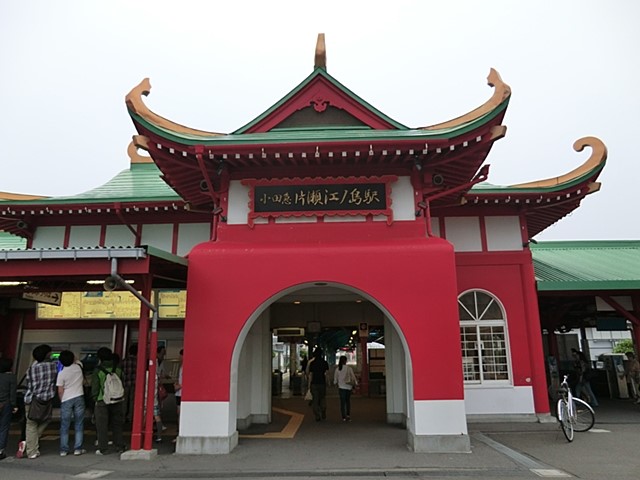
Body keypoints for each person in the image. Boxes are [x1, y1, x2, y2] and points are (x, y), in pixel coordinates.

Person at [24, 344, 58, 459]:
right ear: (47, 354)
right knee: (46, 419)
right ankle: (31, 445)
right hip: (47, 399)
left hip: (32, 399)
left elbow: (28, 383)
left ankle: (31, 449)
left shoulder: (31, 369)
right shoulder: (53, 367)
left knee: (31, 424)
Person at [91, 347, 125, 455]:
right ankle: (119, 446)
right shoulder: (118, 368)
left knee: (102, 426)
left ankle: (103, 448)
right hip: (117, 399)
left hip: (102, 400)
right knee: (117, 424)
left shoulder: (98, 370)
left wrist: (95, 398)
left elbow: (95, 387)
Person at [56, 350, 86, 456]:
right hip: (79, 396)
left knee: (65, 425)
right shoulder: (78, 368)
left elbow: (60, 390)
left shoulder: (61, 373)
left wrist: (62, 400)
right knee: (79, 423)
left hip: (66, 398)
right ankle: (78, 448)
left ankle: (64, 449)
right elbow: (78, 361)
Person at [0, 357, 18, 460]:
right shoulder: (12, 377)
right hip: (5, 404)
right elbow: (12, 393)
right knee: (4, 427)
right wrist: (14, 405)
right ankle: (0, 450)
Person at [333, 355, 357, 422]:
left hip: (341, 387)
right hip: (348, 387)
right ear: (346, 361)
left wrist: (335, 383)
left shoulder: (337, 369)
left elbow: (335, 379)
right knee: (348, 401)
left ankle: (343, 416)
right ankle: (348, 415)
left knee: (342, 403)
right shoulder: (349, 368)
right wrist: (356, 383)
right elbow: (353, 377)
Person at [307, 348, 329, 421]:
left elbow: (311, 374)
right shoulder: (324, 363)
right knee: (322, 398)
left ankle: (317, 415)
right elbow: (327, 374)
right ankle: (323, 410)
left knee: (315, 400)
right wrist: (328, 382)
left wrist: (309, 384)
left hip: (314, 384)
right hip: (322, 383)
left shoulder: (312, 363)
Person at [122, 344, 138, 423]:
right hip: (134, 383)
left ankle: (123, 417)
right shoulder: (138, 361)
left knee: (124, 400)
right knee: (132, 401)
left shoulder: (124, 361)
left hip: (125, 383)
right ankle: (130, 417)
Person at [173, 349, 183, 443]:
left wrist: (179, 386)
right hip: (179, 393)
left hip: (181, 393)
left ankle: (180, 432)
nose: (180, 358)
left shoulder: (185, 367)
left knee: (180, 413)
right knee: (178, 413)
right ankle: (179, 432)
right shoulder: (181, 367)